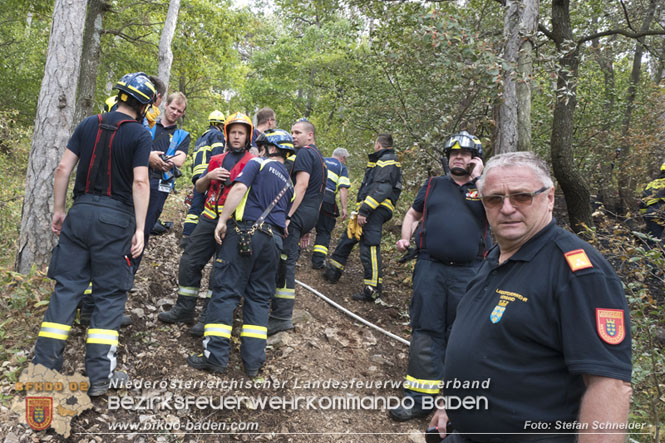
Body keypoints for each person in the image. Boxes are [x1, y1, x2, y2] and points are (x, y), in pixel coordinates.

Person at [429, 151, 632, 442]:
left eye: (522, 197)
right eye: (494, 199)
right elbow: (481, 344)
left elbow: (609, 385)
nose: (507, 208)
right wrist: (451, 402)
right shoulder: (495, 258)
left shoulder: (578, 272)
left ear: (549, 198)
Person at [32, 72, 154, 396]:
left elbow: (62, 169)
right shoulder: (141, 135)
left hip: (80, 211)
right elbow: (140, 182)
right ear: (145, 106)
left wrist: (59, 209)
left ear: (120, 96)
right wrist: (141, 228)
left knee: (67, 290)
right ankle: (100, 376)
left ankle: (44, 368)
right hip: (116, 219)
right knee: (110, 295)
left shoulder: (89, 123)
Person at [389, 131, 490, 421]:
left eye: (465, 154)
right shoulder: (433, 185)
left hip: (470, 272)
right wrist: (405, 238)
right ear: (447, 158)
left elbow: (497, 213)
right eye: (453, 153)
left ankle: (457, 403)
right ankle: (419, 398)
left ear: (475, 158)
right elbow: (411, 214)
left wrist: (479, 178)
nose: (458, 157)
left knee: (463, 334)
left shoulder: (484, 189)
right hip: (430, 268)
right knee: (426, 330)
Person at [187, 130, 294, 376]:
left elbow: (238, 190)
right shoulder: (289, 184)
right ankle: (254, 362)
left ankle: (215, 356)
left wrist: (222, 220)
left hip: (246, 232)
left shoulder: (258, 163)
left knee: (225, 291)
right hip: (274, 242)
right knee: (258, 298)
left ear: (268, 148)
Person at [158, 113, 255, 334]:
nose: (236, 137)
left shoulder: (252, 163)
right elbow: (200, 188)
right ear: (226, 135)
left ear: (248, 136)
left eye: (241, 133)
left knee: (219, 272)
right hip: (208, 218)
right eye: (233, 133)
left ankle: (207, 317)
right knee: (189, 261)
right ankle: (184, 308)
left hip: (233, 225)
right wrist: (208, 176)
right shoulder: (216, 159)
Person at [323, 134, 402, 301]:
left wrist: (365, 210)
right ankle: (332, 273)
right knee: (348, 237)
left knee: (369, 245)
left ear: (378, 145)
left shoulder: (388, 160)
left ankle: (372, 290)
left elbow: (382, 188)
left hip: (376, 209)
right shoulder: (381, 160)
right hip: (367, 208)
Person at [267, 119, 327, 335]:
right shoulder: (320, 158)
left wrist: (288, 216)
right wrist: (308, 226)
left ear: (310, 135)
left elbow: (301, 186)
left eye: (298, 132)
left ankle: (281, 315)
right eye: (292, 132)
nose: (293, 136)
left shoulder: (304, 154)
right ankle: (279, 311)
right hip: (310, 214)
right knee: (287, 259)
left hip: (298, 214)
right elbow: (318, 194)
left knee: (285, 261)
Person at [134, 91, 190, 271]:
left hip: (160, 185)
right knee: (127, 223)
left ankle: (130, 272)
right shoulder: (146, 124)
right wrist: (149, 157)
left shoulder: (182, 135)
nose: (175, 112)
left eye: (179, 111)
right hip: (137, 178)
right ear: (166, 105)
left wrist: (162, 161)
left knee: (146, 228)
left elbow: (180, 158)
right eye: (173, 108)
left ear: (182, 113)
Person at [181, 110, 227, 246]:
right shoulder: (217, 135)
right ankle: (198, 238)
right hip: (208, 173)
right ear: (221, 125)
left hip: (197, 175)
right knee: (205, 206)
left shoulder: (201, 138)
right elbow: (217, 155)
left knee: (195, 206)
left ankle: (186, 235)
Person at [311, 148, 351, 269]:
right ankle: (318, 261)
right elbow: (343, 189)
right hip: (327, 198)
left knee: (302, 224)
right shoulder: (341, 167)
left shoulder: (321, 160)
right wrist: (344, 208)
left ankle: (292, 254)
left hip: (312, 195)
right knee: (324, 230)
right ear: (343, 158)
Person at [639, 162, 665, 245]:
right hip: (661, 211)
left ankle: (651, 255)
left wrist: (645, 216)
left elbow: (642, 202)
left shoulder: (651, 184)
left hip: (651, 213)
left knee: (652, 241)